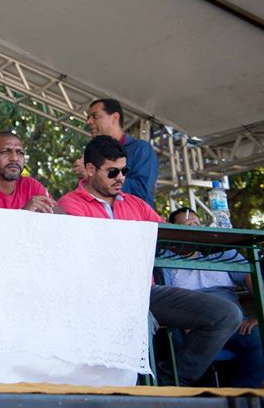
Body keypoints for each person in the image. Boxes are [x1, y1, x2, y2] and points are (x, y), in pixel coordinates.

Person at [59, 136, 241, 386]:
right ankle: (140, 391)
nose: (121, 178)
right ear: (90, 170)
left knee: (226, 314)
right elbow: (87, 258)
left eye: (125, 171)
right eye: (112, 172)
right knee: (139, 321)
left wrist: (205, 236)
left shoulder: (137, 205)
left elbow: (173, 241)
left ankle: (168, 383)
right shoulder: (70, 205)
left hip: (145, 292)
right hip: (99, 296)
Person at [162, 207, 263, 388]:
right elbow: (166, 299)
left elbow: (254, 281)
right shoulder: (164, 257)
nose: (193, 228)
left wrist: (259, 317)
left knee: (259, 338)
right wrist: (185, 324)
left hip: (236, 324)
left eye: (196, 223)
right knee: (173, 339)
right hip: (193, 325)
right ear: (175, 230)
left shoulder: (223, 251)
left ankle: (243, 395)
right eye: (186, 225)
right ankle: (177, 391)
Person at [72, 98, 158, 207]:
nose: (89, 121)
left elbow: (142, 192)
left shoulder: (140, 148)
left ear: (115, 118)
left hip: (133, 216)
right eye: (88, 117)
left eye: (95, 116)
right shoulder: (92, 154)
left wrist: (94, 176)